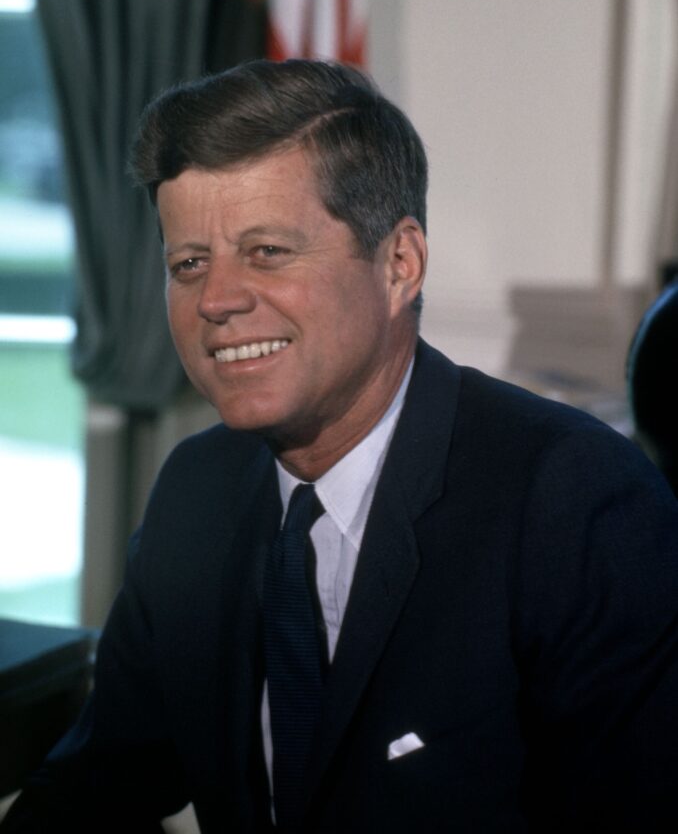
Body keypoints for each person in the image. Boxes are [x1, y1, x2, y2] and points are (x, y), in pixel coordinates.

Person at [4, 59, 678, 833]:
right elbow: (99, 782)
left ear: (400, 265)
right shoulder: (198, 488)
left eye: (267, 252)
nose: (216, 300)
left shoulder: (575, 502)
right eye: (189, 263)